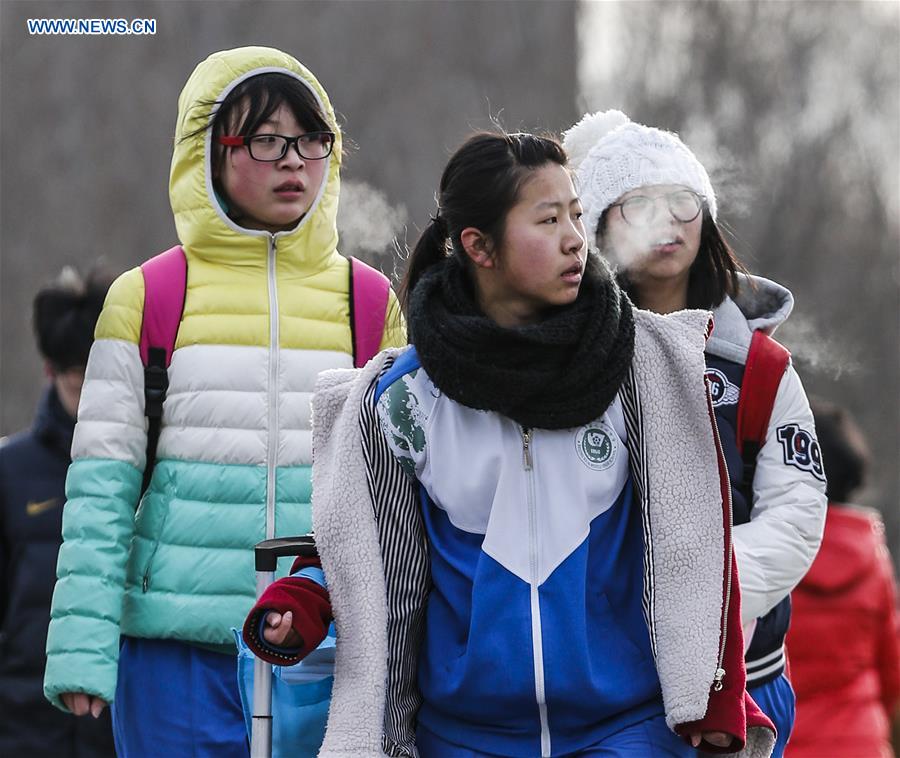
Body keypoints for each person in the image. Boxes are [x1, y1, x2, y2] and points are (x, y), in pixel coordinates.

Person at [242, 131, 775, 757]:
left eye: (576, 215)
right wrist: (306, 596)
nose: (575, 238)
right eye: (548, 220)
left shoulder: (643, 368)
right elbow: (366, 546)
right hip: (463, 736)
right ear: (479, 246)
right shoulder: (400, 399)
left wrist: (718, 697)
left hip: (627, 727)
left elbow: (697, 541)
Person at [42, 46, 405, 757]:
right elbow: (101, 488)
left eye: (312, 140)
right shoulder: (147, 295)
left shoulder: (369, 302)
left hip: (322, 643)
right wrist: (82, 649)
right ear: (209, 152)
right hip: (176, 653)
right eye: (267, 141)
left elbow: (391, 492)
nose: (295, 161)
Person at [562, 110, 827, 757]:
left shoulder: (760, 367)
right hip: (602, 684)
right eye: (638, 203)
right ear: (597, 224)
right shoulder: (566, 356)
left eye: (682, 201)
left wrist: (703, 588)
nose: (667, 221)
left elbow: (796, 513)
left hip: (747, 682)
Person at [0, 268, 115, 756]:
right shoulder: (10, 471)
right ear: (51, 371)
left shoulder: (142, 469)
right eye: (76, 383)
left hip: (113, 721)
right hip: (23, 723)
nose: (88, 398)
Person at [786, 398, 900, 758]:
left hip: (780, 743)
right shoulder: (872, 557)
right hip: (860, 745)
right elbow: (892, 671)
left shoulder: (764, 554)